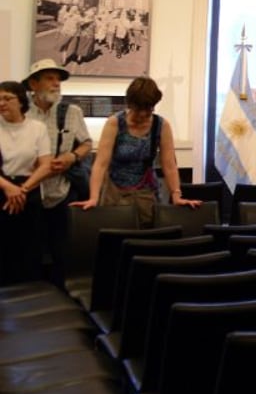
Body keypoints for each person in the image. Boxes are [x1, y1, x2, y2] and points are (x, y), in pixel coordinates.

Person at [70, 77, 200, 227]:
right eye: (139, 109)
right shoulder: (115, 123)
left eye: (149, 109)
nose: (144, 114)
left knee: (146, 235)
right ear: (130, 104)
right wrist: (93, 197)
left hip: (146, 193)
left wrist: (176, 195)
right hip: (114, 193)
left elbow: (169, 165)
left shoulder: (161, 125)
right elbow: (100, 164)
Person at [25, 59, 93, 287]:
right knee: (29, 251)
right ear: (33, 84)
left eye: (58, 79)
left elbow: (86, 144)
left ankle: (63, 297)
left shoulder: (71, 111)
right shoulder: (21, 111)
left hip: (63, 191)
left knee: (62, 251)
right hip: (29, 192)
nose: (56, 84)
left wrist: (71, 157)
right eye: (50, 78)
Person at [0, 81, 55, 284]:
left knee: (27, 250)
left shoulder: (36, 128)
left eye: (7, 98)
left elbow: (46, 165)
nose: (2, 103)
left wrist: (21, 189)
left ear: (21, 100)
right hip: (2, 189)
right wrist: (8, 187)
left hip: (28, 192)